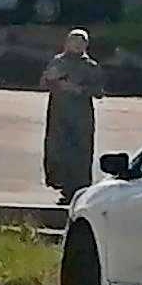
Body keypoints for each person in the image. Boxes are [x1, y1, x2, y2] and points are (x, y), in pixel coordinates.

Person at [39, 29, 107, 195]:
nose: (76, 45)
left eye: (80, 42)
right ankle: (61, 184)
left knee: (80, 151)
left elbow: (99, 91)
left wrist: (79, 89)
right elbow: (43, 84)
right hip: (58, 114)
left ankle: (78, 188)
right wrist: (51, 78)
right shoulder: (57, 62)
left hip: (81, 116)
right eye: (73, 41)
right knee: (58, 149)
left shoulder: (90, 66)